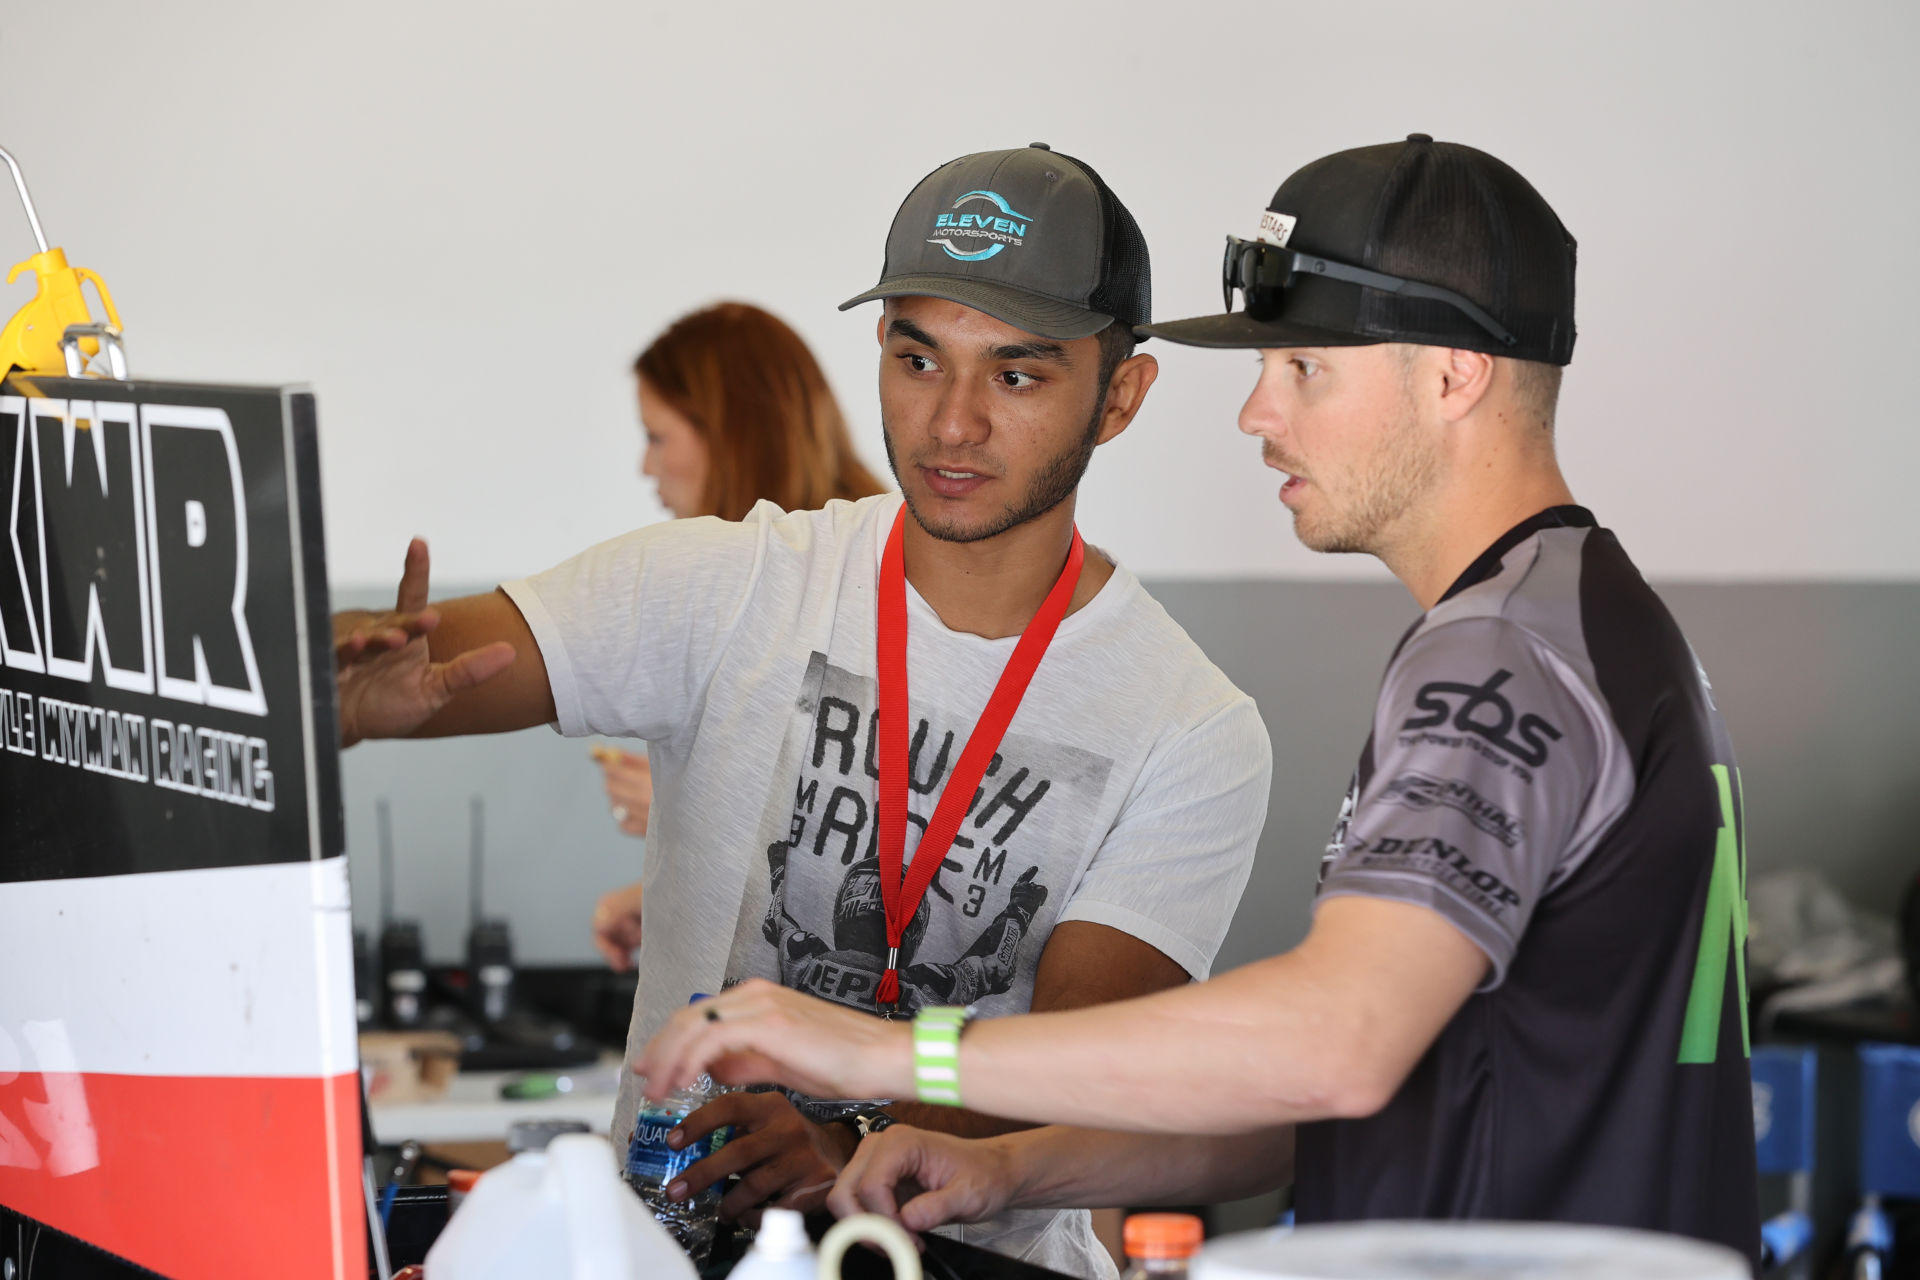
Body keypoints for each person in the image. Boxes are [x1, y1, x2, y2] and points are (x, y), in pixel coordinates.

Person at [633, 135, 1762, 1268]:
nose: (1257, 412)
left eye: (1304, 368)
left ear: (1452, 373)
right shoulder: (1585, 624)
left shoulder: (1496, 660)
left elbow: (1337, 1041)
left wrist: (885, 1060)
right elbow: (1333, 1093)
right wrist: (1015, 1164)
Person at [332, 143, 1272, 1279]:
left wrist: (847, 1133)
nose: (953, 423)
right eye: (918, 358)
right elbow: (442, 663)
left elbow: (1081, 1060)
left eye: (1015, 374)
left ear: (1119, 394)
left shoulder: (1190, 726)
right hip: (667, 1250)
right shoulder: (730, 584)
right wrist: (344, 694)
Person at [589, 302, 886, 972]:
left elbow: (888, 853)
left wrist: (695, 803)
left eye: (657, 436)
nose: (645, 466)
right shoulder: (741, 595)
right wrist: (667, 892)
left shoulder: (876, 585)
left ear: (729, 434)